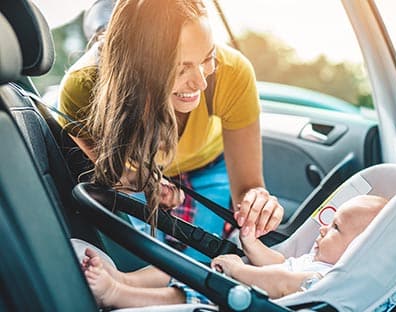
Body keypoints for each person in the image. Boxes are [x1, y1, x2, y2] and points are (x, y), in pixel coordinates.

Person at [57, 0, 284, 261]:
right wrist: (141, 182)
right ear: (137, 65)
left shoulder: (232, 72)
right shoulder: (83, 89)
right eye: (180, 68)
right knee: (145, 259)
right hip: (139, 171)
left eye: (207, 58)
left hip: (209, 164)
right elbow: (114, 173)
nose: (200, 81)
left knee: (202, 260)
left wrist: (258, 201)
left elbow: (249, 187)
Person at [81, 195, 387, 308]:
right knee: (184, 266)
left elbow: (281, 281)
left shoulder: (326, 278)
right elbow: (279, 262)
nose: (323, 229)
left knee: (191, 291)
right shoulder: (313, 260)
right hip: (243, 283)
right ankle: (124, 278)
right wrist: (251, 243)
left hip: (242, 297)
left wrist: (238, 270)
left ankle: (117, 295)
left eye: (335, 229)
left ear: (358, 250)